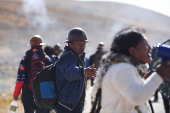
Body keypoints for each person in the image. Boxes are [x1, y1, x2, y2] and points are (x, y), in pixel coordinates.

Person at [92, 27, 170, 113]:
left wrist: (144, 82)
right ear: (133, 51)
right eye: (145, 44)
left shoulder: (124, 67)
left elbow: (130, 92)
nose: (150, 47)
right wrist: (159, 75)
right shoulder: (121, 68)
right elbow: (137, 97)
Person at [55, 27, 97, 113]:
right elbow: (69, 72)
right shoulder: (67, 56)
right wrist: (84, 71)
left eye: (84, 44)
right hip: (66, 105)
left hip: (75, 104)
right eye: (79, 43)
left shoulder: (79, 57)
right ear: (70, 44)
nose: (82, 46)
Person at [12, 35, 52, 113]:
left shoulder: (25, 59)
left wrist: (16, 93)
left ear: (31, 46)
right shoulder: (47, 59)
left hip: (28, 95)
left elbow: (20, 79)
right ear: (41, 45)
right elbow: (52, 79)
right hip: (43, 96)